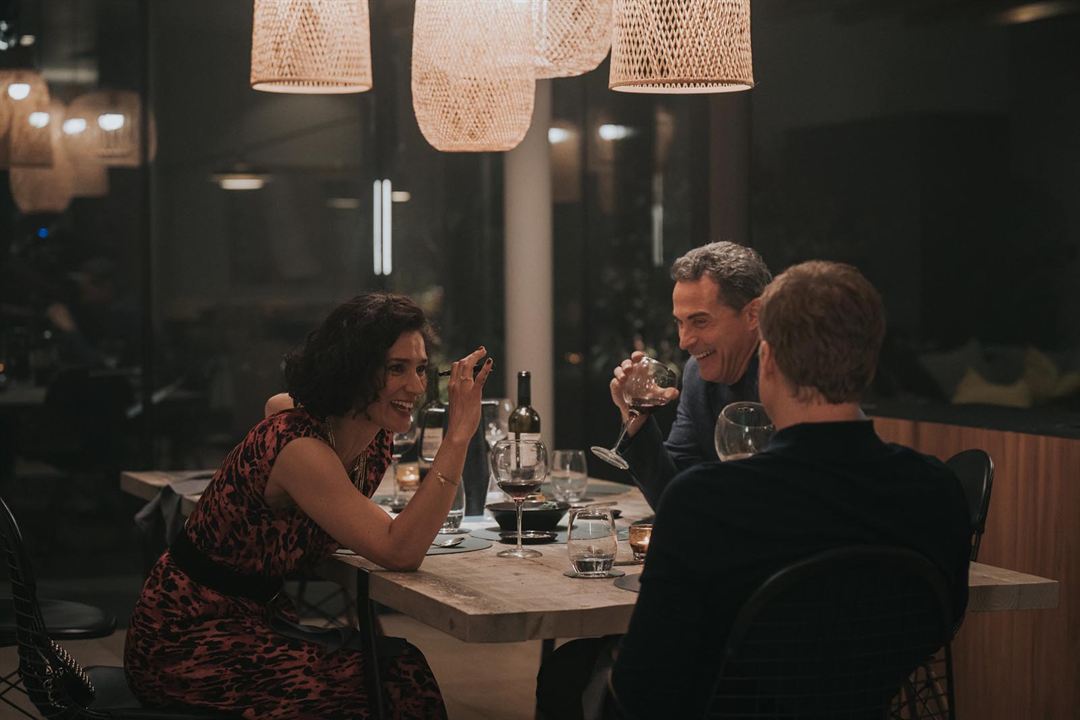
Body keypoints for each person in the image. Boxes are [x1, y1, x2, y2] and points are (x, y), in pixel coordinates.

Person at [538, 261, 972, 720]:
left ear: (767, 360)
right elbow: (941, 625)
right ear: (870, 362)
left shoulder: (704, 501)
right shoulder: (936, 491)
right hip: (865, 706)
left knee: (567, 675)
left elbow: (644, 688)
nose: (687, 340)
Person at [125, 292, 492, 719]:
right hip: (189, 640)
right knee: (397, 676)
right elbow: (401, 551)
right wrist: (458, 436)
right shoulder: (300, 448)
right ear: (352, 370)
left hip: (251, 621)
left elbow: (277, 402)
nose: (415, 386)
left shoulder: (365, 432)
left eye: (421, 369)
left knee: (395, 665)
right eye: (396, 368)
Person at [609, 241, 772, 508]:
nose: (684, 342)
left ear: (753, 314)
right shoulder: (697, 375)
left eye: (700, 321)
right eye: (680, 323)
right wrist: (635, 421)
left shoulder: (789, 373)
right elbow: (672, 496)